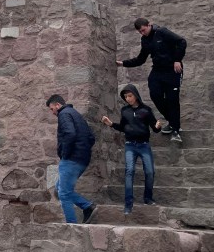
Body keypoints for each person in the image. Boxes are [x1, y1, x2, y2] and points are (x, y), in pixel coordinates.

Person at [116, 17, 187, 143]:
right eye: (140, 32)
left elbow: (182, 42)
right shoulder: (145, 40)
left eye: (143, 30)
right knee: (155, 95)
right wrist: (123, 63)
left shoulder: (162, 32)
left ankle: (175, 130)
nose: (142, 33)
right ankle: (172, 122)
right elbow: (141, 59)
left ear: (149, 25)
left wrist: (177, 60)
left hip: (172, 70)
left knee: (172, 100)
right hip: (158, 71)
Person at [101, 84, 162, 214]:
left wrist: (158, 127)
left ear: (136, 95)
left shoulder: (146, 110)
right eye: (125, 97)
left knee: (150, 172)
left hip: (144, 145)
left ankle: (148, 198)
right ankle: (128, 204)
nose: (128, 99)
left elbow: (154, 128)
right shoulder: (125, 111)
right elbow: (123, 127)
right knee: (129, 171)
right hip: (130, 145)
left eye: (130, 96)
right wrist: (111, 124)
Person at [46, 94, 97, 224]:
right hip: (82, 159)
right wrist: (82, 151)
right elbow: (91, 137)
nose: (52, 112)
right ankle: (87, 206)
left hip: (72, 159)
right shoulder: (75, 114)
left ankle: (72, 225)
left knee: (63, 193)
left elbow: (70, 133)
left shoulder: (64, 114)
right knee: (59, 188)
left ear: (58, 105)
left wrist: (65, 154)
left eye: (52, 109)